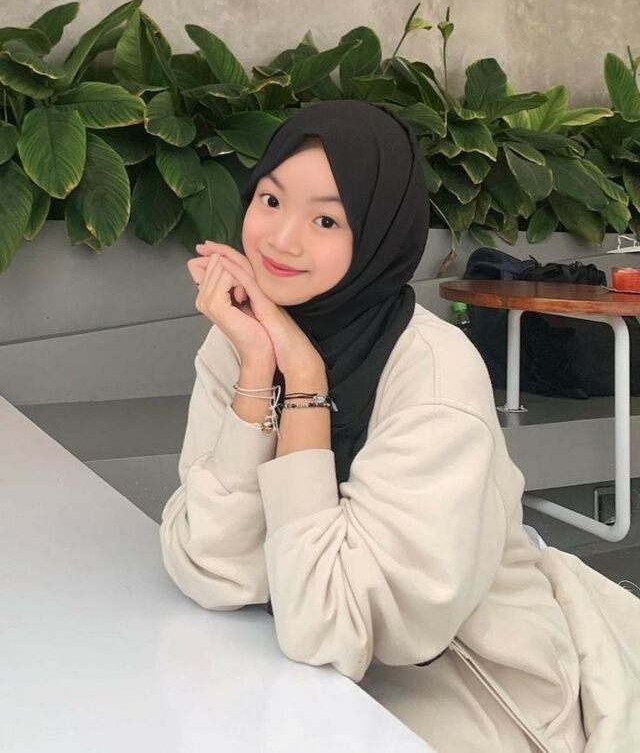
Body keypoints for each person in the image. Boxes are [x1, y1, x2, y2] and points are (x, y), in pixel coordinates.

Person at [159, 99, 640, 753]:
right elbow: (211, 565)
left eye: (326, 219)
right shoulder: (245, 341)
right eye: (270, 200)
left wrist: (305, 384)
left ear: (379, 232)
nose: (281, 239)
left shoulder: (434, 377)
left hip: (467, 692)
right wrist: (256, 370)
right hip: (294, 673)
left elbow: (328, 625)